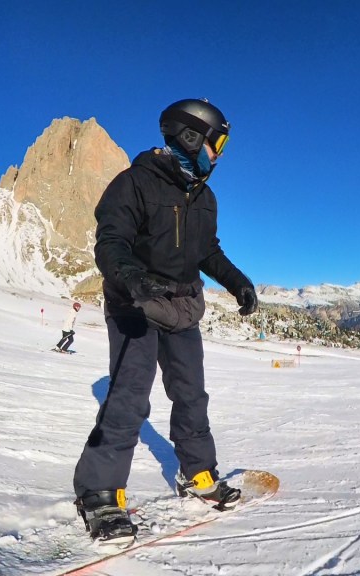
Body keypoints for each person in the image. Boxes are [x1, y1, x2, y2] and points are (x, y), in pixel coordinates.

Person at [72, 98, 258, 544]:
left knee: (191, 394)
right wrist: (132, 277)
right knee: (129, 398)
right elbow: (110, 241)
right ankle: (98, 492)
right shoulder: (134, 184)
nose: (220, 154)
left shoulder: (204, 196)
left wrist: (238, 282)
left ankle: (197, 474)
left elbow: (207, 251)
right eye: (219, 143)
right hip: (136, 304)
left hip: (182, 307)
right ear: (191, 137)